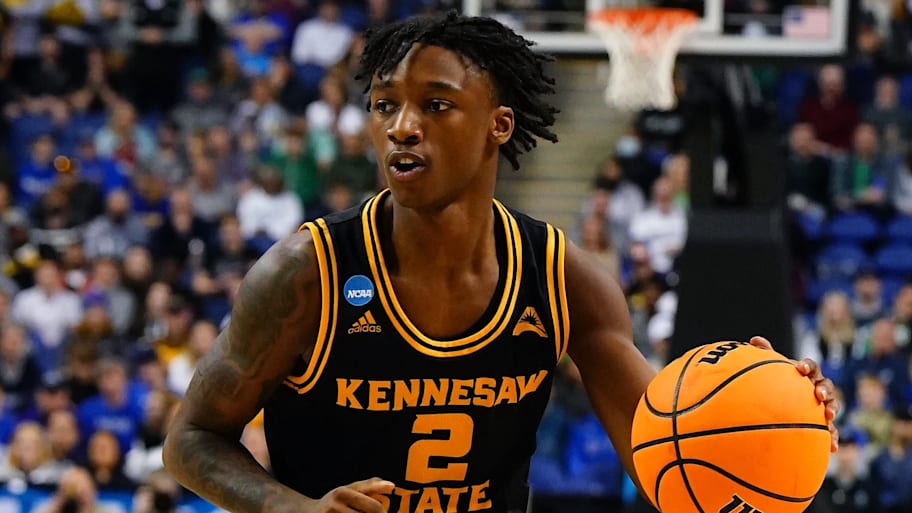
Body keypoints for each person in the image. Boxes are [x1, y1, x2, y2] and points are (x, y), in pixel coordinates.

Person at [163, 12, 841, 513]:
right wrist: (299, 509)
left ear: (499, 125)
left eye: (435, 104)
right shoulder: (308, 271)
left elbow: (663, 447)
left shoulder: (561, 278)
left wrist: (763, 411)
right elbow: (191, 438)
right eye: (383, 105)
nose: (401, 125)